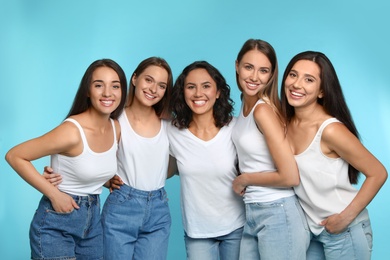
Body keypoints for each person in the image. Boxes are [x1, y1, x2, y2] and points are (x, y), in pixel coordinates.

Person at [5, 58, 127, 260]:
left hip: (93, 223)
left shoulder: (115, 128)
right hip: (57, 223)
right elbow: (15, 155)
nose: (108, 93)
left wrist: (104, 179)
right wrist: (54, 194)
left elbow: (84, 164)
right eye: (99, 85)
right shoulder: (71, 132)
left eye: (115, 86)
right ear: (87, 91)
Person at [280, 51, 388, 259]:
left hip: (345, 232)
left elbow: (378, 173)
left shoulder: (330, 130)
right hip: (313, 231)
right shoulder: (285, 124)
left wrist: (345, 218)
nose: (297, 84)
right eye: (293, 75)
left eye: (309, 79)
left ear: (321, 91)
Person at [231, 39, 310, 259]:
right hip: (253, 211)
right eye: (249, 67)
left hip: (277, 211)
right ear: (237, 66)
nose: (255, 77)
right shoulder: (244, 109)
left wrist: (244, 179)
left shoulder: (262, 110)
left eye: (263, 70)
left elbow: (290, 176)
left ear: (272, 75)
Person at [168, 61, 245, 260]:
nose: (198, 93)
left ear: (218, 92)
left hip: (237, 227)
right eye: (191, 87)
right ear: (183, 92)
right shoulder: (172, 132)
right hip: (198, 232)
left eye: (206, 86)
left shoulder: (235, 128)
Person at [101, 56, 173, 260]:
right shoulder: (115, 119)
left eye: (161, 85)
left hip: (159, 208)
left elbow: (180, 162)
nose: (153, 89)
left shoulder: (168, 123)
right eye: (148, 80)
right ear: (134, 79)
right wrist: (106, 179)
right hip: (122, 206)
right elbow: (90, 152)